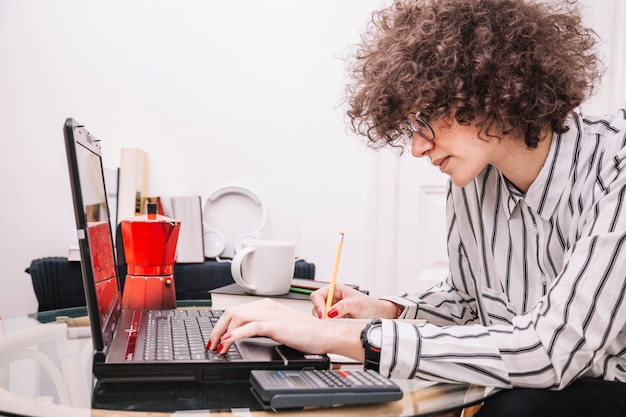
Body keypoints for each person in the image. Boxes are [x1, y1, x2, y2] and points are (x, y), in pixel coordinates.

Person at [208, 0, 626, 415]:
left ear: (491, 92)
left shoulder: (616, 166)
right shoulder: (473, 178)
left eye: (426, 118)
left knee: (518, 410)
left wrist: (343, 335)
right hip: (540, 383)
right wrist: (389, 309)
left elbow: (556, 349)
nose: (416, 147)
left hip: (605, 383)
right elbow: (469, 302)